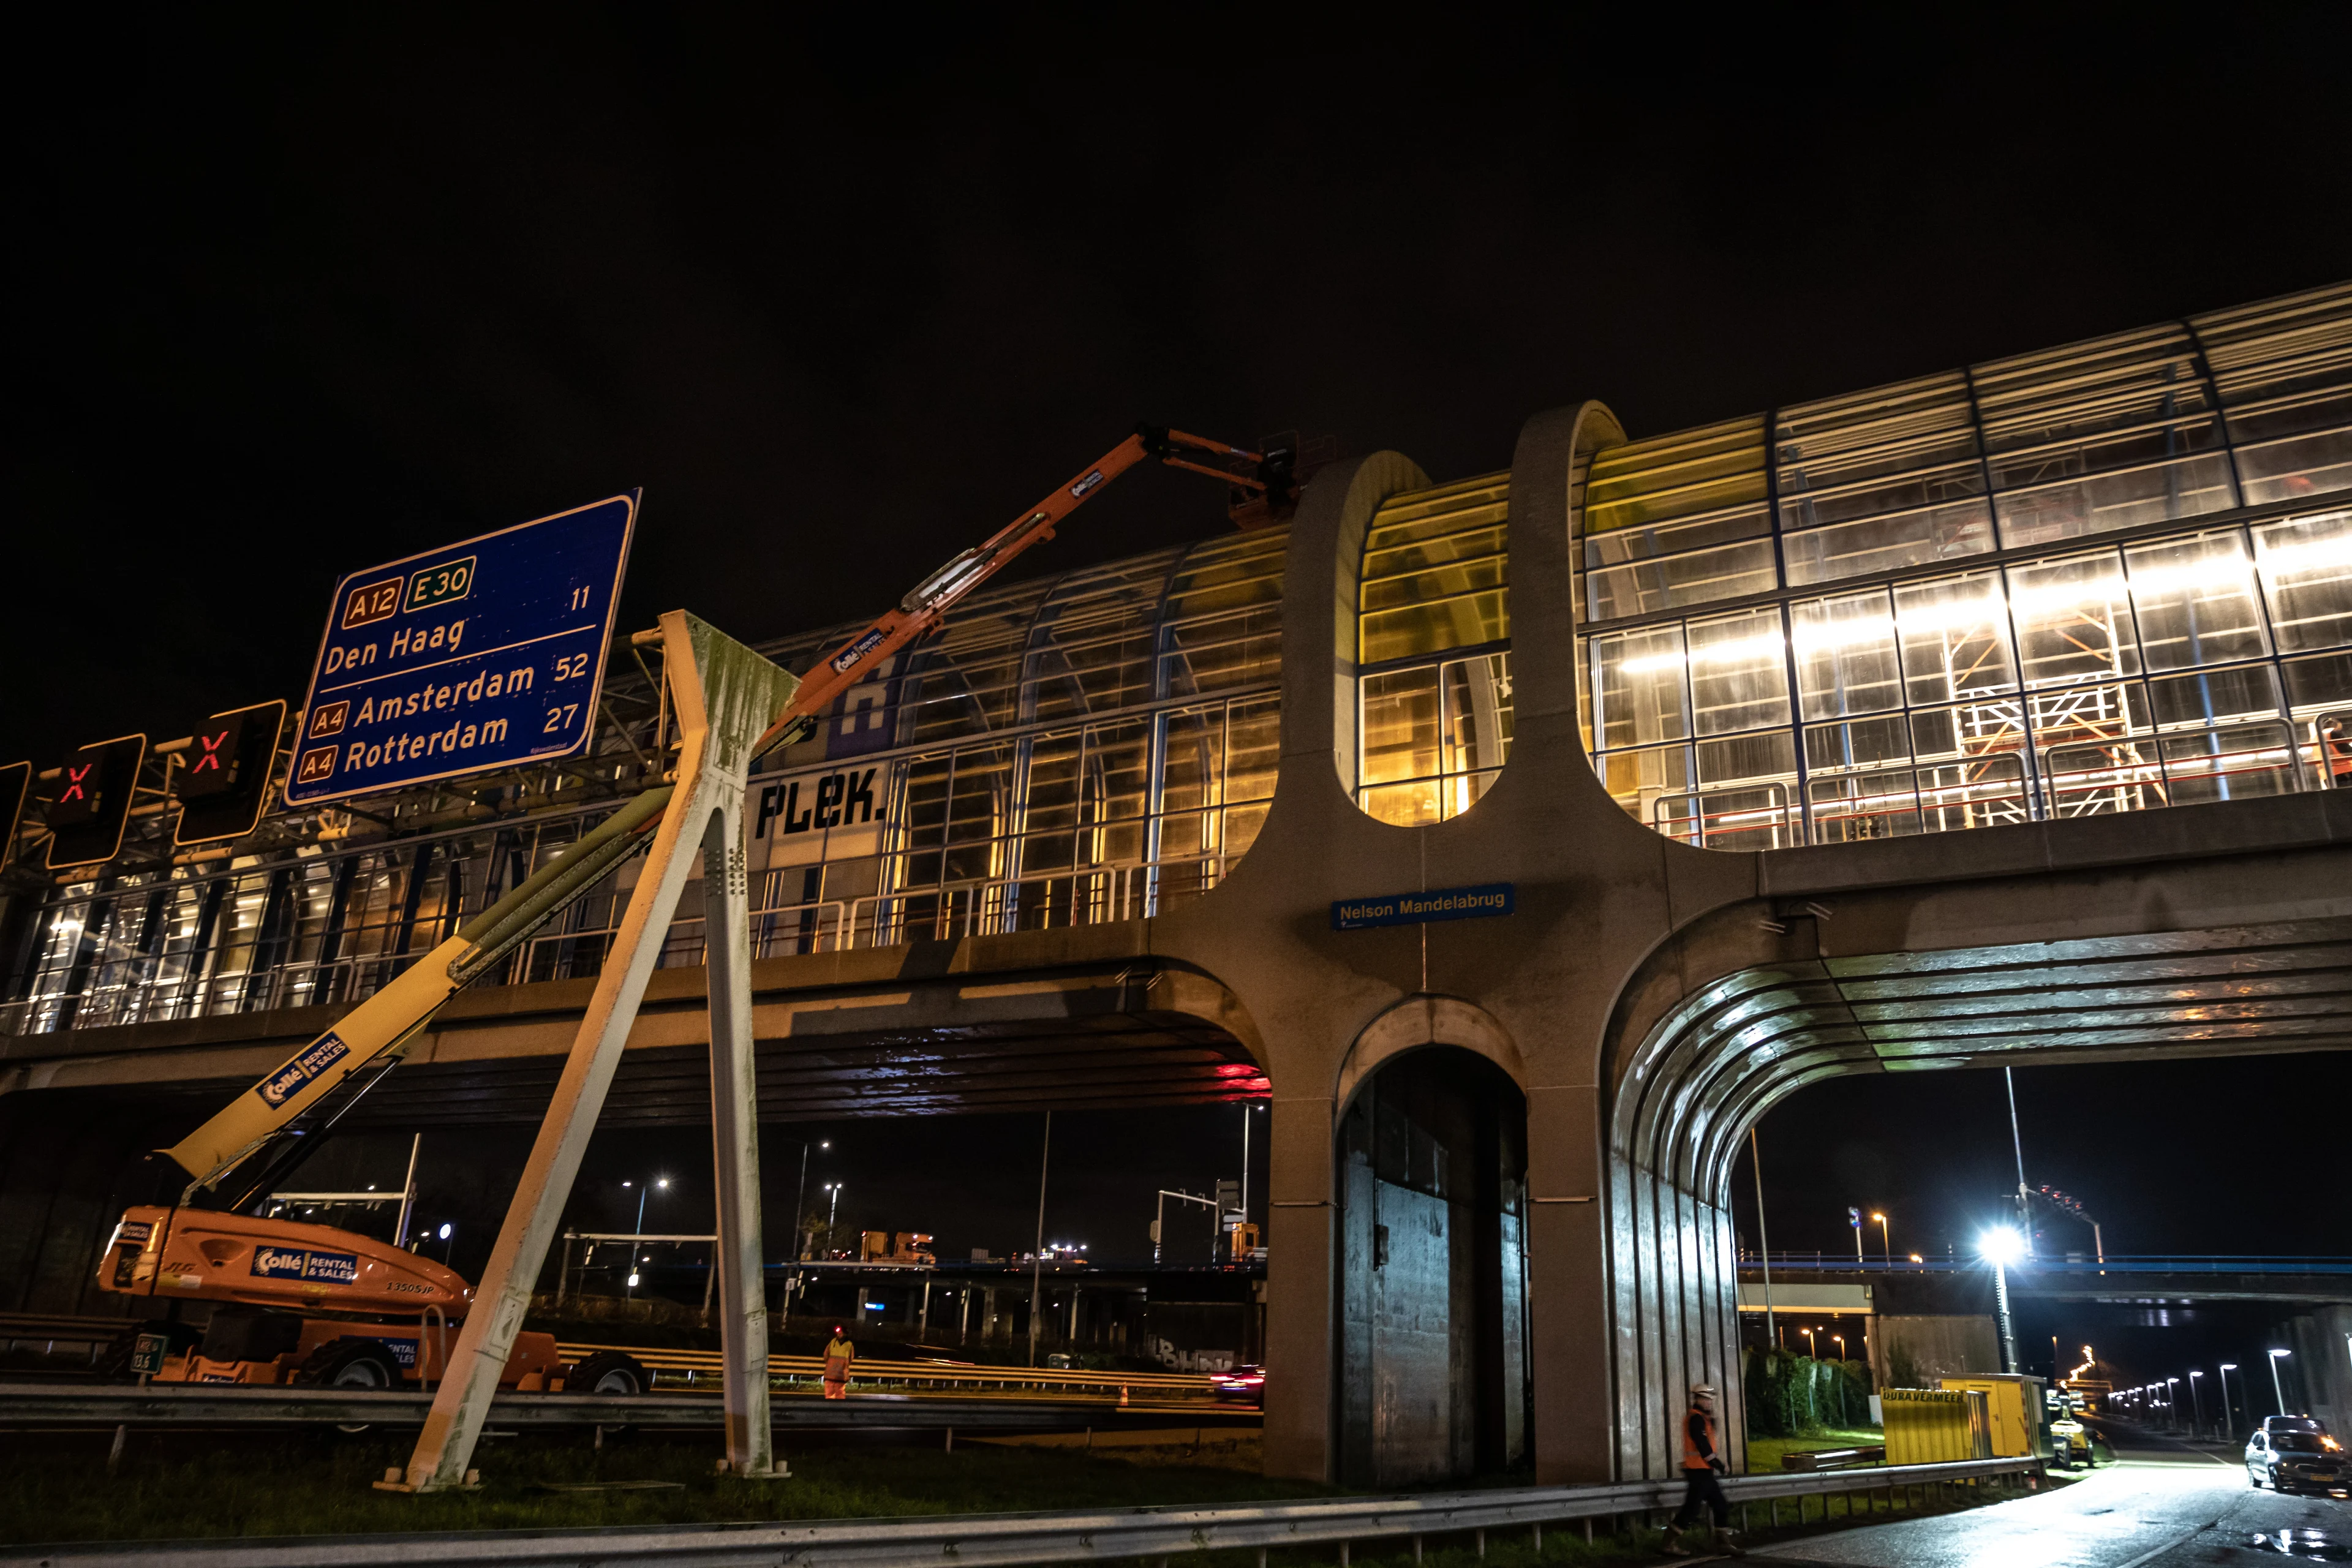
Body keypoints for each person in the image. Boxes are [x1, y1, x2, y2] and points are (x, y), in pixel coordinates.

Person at [1662, 1382, 1744, 1558]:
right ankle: (1668, 1544)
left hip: (1704, 1472)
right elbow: (1702, 1445)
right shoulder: (1696, 1419)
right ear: (1697, 1399)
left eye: (1710, 1399)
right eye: (1705, 1399)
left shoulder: (1703, 1418)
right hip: (1698, 1472)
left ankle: (1723, 1544)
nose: (1709, 1402)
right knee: (1692, 1510)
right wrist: (1719, 1465)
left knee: (1719, 1505)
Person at [823, 1323, 855, 1400]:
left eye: (841, 1333)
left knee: (833, 1393)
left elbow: (826, 1355)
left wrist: (829, 1363)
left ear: (845, 1334)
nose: (839, 1334)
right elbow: (851, 1358)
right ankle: (839, 1406)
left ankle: (831, 1406)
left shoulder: (846, 1344)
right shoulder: (848, 1344)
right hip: (840, 1374)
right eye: (838, 1333)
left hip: (834, 1373)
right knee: (837, 1393)